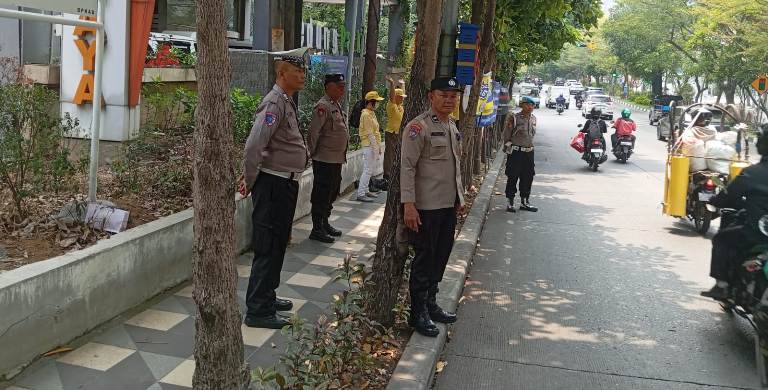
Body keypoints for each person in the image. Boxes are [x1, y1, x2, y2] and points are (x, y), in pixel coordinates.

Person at [240, 55, 310, 329]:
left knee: (278, 243)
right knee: (267, 246)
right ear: (282, 73)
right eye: (297, 71)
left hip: (285, 184)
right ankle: (257, 310)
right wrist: (249, 178)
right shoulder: (273, 103)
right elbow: (254, 146)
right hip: (272, 185)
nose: (303, 76)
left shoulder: (286, 102)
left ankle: (267, 296)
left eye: (303, 71)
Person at [401, 76, 465, 337]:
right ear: (431, 96)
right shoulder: (419, 127)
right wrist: (408, 205)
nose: (449, 100)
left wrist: (459, 198)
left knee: (440, 257)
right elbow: (407, 167)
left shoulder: (452, 126)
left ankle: (431, 304)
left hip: (447, 205)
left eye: (453, 96)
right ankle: (417, 313)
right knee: (424, 259)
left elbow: (455, 167)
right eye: (444, 95)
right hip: (426, 207)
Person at [701, 127, 768, 300]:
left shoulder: (754, 172)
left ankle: (722, 286)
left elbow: (728, 195)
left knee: (721, 239)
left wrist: (715, 201)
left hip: (756, 233)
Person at [306, 74, 349, 244]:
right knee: (321, 193)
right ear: (328, 87)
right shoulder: (322, 107)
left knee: (332, 191)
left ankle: (324, 222)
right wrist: (311, 154)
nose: (342, 89)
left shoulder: (335, 105)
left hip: (336, 159)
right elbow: (313, 133)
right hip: (324, 159)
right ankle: (316, 228)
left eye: (343, 86)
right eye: (338, 86)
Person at [502, 96, 539, 213]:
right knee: (513, 176)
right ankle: (510, 202)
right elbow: (507, 135)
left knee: (528, 177)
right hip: (516, 152)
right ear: (522, 105)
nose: (530, 107)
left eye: (532, 105)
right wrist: (508, 148)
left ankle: (525, 201)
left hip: (529, 153)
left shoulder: (534, 119)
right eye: (528, 104)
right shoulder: (514, 118)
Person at [356, 91, 384, 202]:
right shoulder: (366, 115)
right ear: (371, 102)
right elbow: (370, 134)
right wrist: (376, 148)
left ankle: (366, 190)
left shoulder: (371, 113)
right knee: (367, 170)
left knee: (369, 169)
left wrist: (378, 147)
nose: (377, 104)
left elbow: (375, 132)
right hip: (369, 146)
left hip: (373, 146)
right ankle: (361, 193)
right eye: (376, 102)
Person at [383, 77, 406, 187]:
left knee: (396, 155)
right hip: (391, 133)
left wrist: (402, 84)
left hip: (398, 134)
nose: (402, 99)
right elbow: (392, 96)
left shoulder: (400, 107)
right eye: (400, 97)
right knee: (390, 155)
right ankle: (387, 176)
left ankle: (393, 175)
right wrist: (392, 83)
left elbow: (402, 95)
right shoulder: (391, 106)